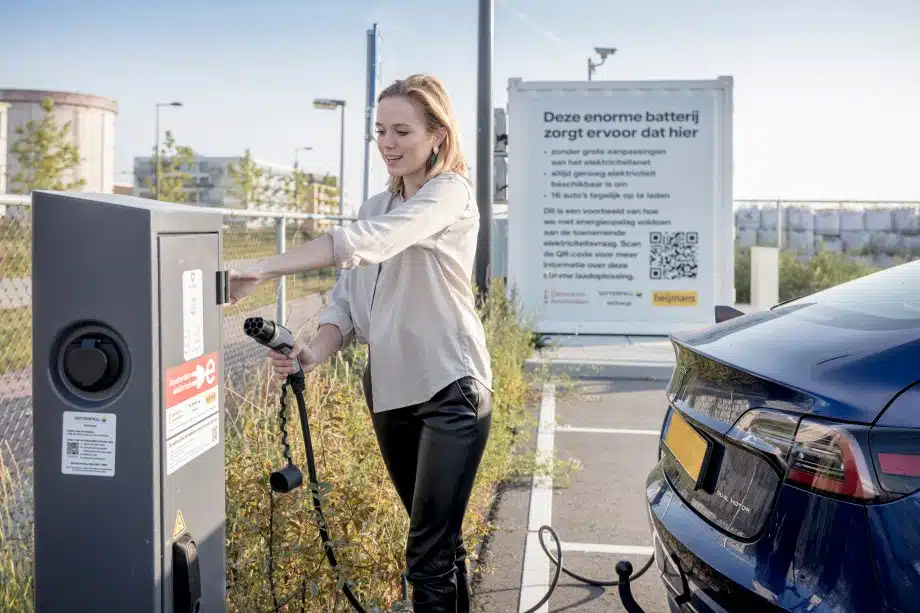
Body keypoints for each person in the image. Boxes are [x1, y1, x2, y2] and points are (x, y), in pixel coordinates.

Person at [227, 74, 493, 613]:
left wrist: (265, 268)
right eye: (380, 132)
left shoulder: (449, 193)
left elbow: (372, 245)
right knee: (439, 543)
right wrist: (313, 352)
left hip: (451, 389)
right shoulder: (376, 204)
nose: (388, 144)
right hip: (391, 391)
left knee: (425, 556)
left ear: (438, 135)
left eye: (402, 131)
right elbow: (346, 304)